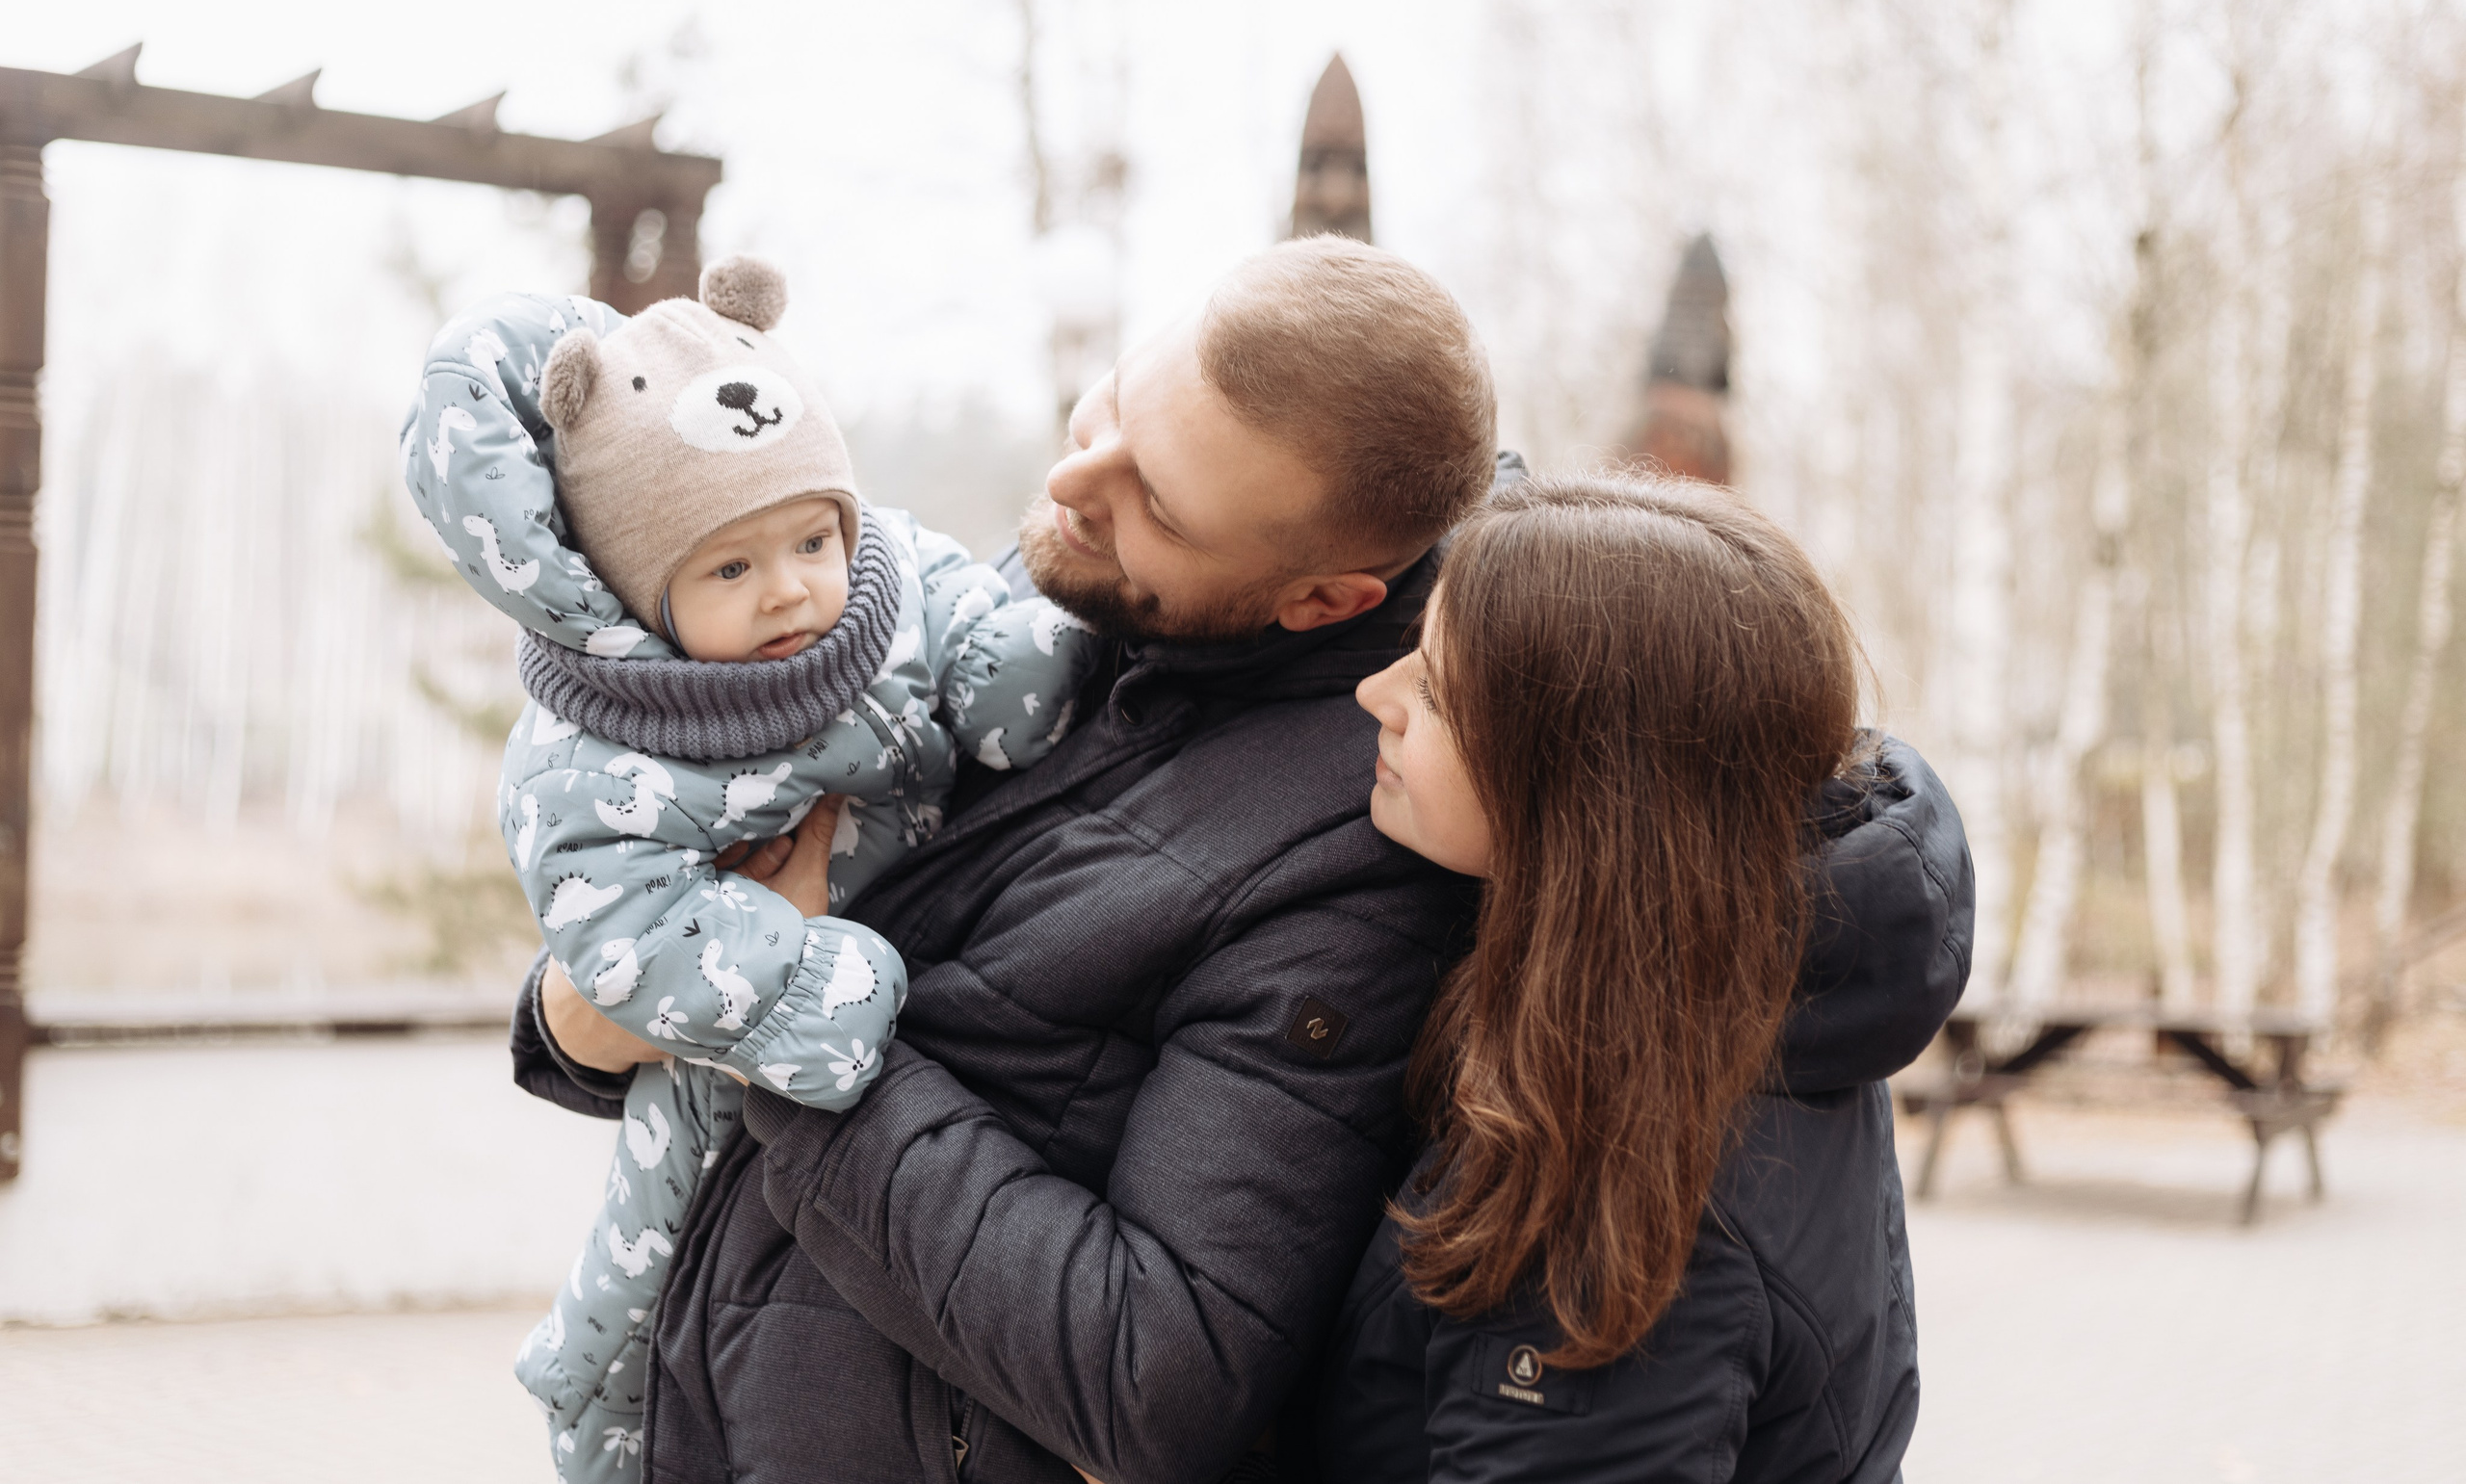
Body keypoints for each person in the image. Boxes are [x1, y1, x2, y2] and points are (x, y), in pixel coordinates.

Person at [517, 236, 1964, 1484]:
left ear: (1318, 595)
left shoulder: (1376, 843)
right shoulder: (1063, 603)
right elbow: (754, 865)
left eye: (1156, 497)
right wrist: (594, 1010)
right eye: (1114, 408)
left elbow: (1166, 1366)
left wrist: (786, 1023)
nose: (1077, 481)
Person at [404, 255, 1093, 1477]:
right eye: (729, 569)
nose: (791, 592)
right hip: (733, 1049)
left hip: (909, 1129)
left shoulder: (889, 581)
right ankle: (594, 1396)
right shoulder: (600, 738)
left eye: (811, 539)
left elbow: (976, 625)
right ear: (637, 589)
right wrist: (805, 977)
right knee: (651, 1250)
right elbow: (621, 923)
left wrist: (1021, 673)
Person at [1318, 474, 1971, 1483]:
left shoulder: (1626, 1181)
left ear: (1592, 790)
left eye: (1438, 690)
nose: (1378, 695)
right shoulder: (1760, 989)